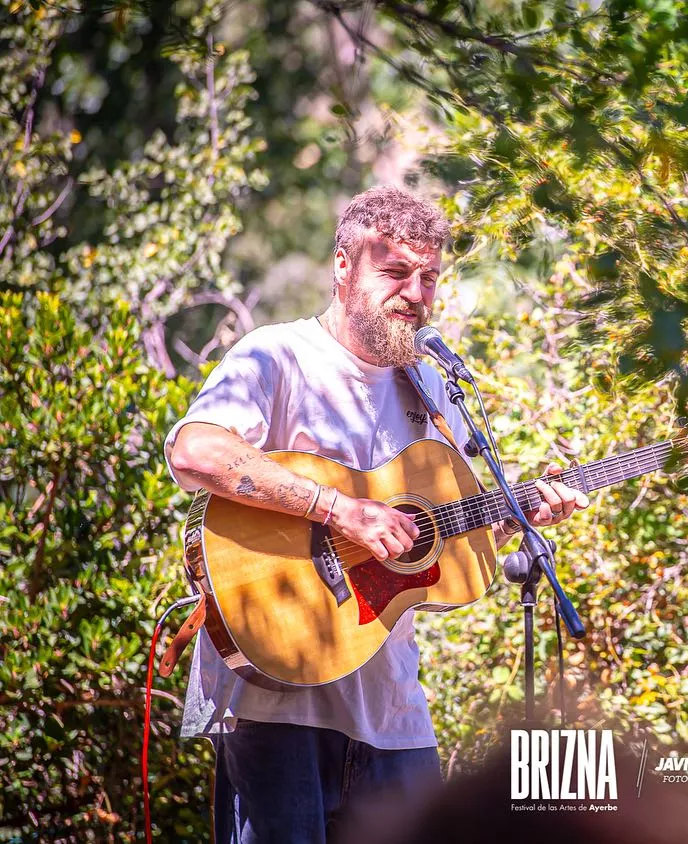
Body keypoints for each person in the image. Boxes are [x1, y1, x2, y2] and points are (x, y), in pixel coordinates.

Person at [164, 185, 591, 842]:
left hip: (392, 714)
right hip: (276, 702)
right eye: (395, 272)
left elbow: (439, 535)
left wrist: (517, 514)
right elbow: (195, 451)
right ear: (343, 265)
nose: (415, 294)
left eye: (429, 278)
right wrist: (340, 509)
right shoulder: (277, 355)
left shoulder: (432, 387)